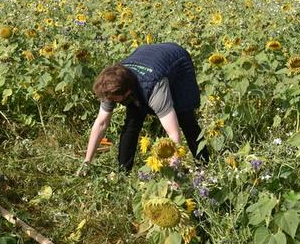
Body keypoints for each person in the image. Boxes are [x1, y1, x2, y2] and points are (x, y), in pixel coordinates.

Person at [78, 42, 209, 175]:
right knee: (132, 122)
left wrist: (174, 173)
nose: (111, 102)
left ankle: (204, 167)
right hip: (147, 56)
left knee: (186, 118)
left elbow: (174, 134)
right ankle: (123, 174)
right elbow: (101, 123)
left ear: (127, 92)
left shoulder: (154, 89)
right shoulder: (110, 86)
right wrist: (87, 162)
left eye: (114, 99)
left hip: (177, 60)